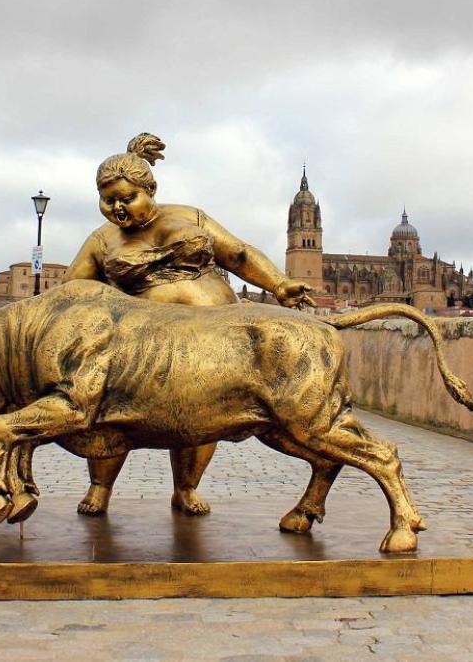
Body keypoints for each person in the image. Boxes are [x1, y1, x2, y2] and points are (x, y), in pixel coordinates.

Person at [64, 133, 314, 516]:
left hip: (211, 333)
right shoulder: (101, 240)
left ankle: (185, 488)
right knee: (114, 415)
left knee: (200, 415)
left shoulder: (190, 216)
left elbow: (239, 254)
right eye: (108, 200)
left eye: (127, 198)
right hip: (142, 348)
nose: (117, 208)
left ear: (150, 189)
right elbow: (72, 290)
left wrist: (279, 284)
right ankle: (100, 486)